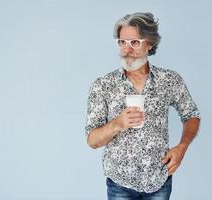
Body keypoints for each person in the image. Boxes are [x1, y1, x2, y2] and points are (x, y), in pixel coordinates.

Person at [85, 12, 201, 200]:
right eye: (122, 42)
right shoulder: (102, 85)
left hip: (159, 181)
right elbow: (92, 140)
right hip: (119, 184)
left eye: (135, 42)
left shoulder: (169, 80)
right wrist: (118, 123)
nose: (127, 49)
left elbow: (192, 115)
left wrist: (182, 147)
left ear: (150, 44)